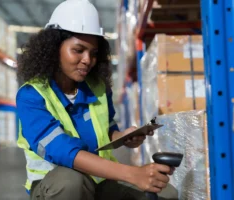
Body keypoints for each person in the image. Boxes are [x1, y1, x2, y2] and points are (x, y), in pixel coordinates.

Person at [16, 0, 178, 199]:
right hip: (54, 185)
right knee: (70, 183)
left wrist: (124, 137)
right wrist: (134, 174)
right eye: (78, 50)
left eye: (93, 53)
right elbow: (62, 151)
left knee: (166, 194)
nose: (87, 60)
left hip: (97, 179)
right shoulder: (32, 96)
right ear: (54, 48)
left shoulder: (98, 89)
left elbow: (107, 132)